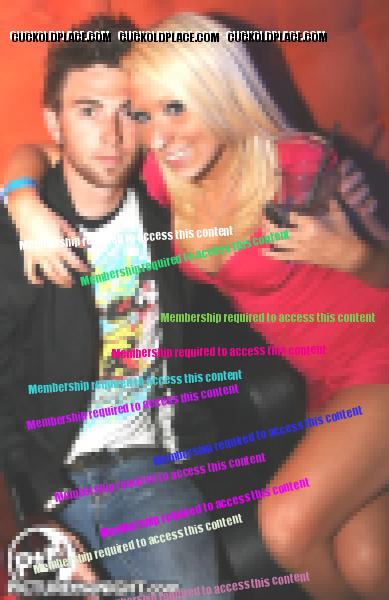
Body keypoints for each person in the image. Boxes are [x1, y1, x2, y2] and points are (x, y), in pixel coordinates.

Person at [3, 13, 389, 600]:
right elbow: (38, 153)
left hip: (377, 359)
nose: (126, 134)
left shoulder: (277, 166)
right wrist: (20, 198)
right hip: (319, 383)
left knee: (287, 530)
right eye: (143, 114)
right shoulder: (156, 182)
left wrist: (351, 250)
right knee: (369, 566)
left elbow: (386, 263)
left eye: (139, 111)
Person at [0, 14, 224, 593]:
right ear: (54, 121)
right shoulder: (17, 237)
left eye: (128, 112)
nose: (111, 134)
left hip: (146, 470)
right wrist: (34, 513)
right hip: (50, 481)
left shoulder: (171, 215)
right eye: (88, 110)